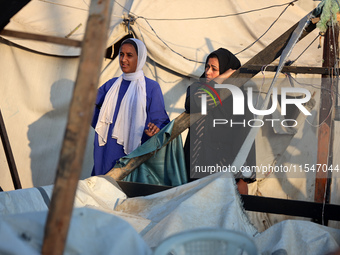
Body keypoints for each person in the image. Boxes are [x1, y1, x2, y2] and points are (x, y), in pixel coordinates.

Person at [91, 38, 170, 176]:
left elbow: (161, 122)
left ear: (140, 58)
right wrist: (102, 123)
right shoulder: (111, 85)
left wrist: (154, 131)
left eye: (129, 55)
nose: (123, 59)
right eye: (121, 54)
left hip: (136, 152)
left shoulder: (150, 88)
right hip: (106, 151)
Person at [184, 48, 256, 195]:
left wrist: (242, 179)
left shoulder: (239, 98)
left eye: (214, 69)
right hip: (195, 165)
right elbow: (195, 102)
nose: (208, 72)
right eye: (207, 67)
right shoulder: (197, 88)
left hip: (224, 168)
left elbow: (246, 135)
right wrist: (221, 78)